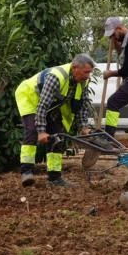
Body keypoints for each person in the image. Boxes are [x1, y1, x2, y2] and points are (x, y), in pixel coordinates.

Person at [14, 54, 95, 187]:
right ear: (75, 68)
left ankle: (54, 178)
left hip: (50, 104)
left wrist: (83, 127)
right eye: (86, 72)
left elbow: (81, 105)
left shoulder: (83, 81)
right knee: (33, 131)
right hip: (29, 96)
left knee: (56, 135)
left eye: (90, 72)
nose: (88, 76)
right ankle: (26, 172)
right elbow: (42, 105)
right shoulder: (56, 77)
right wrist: (41, 131)